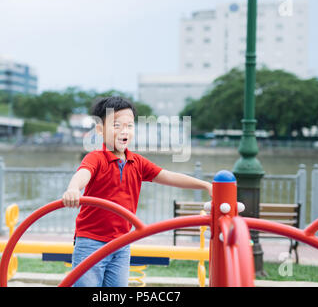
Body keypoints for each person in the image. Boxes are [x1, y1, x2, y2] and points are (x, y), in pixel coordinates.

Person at [61, 96, 212, 287]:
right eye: (116, 125)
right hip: (91, 242)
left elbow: (168, 176)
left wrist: (205, 185)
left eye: (129, 126)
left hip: (121, 244)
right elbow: (83, 173)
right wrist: (73, 188)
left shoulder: (137, 162)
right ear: (100, 129)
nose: (124, 131)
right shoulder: (96, 158)